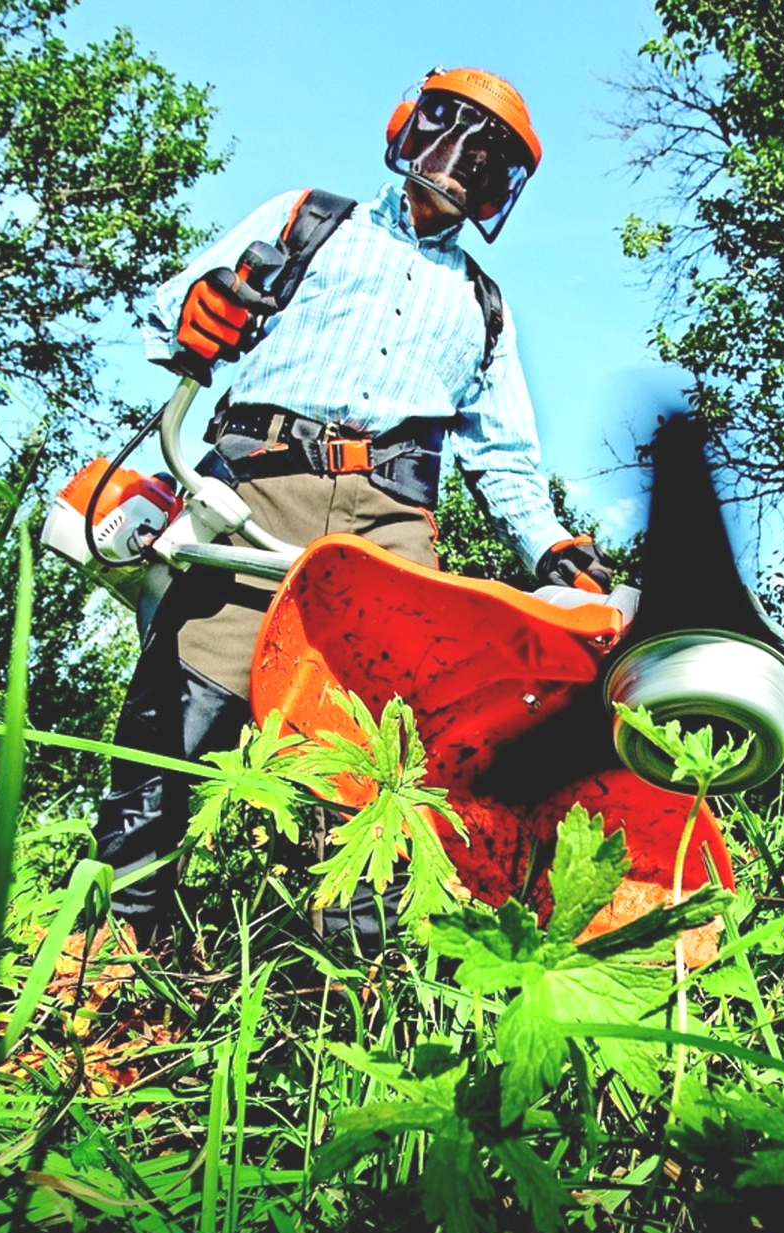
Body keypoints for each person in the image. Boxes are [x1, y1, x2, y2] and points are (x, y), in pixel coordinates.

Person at [92, 66, 611, 946]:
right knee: (181, 711)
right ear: (408, 127)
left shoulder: (485, 305)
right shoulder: (311, 219)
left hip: (390, 521)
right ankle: (109, 944)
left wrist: (551, 546)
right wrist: (200, 311)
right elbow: (169, 311)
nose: (458, 167)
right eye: (448, 134)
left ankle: (349, 976)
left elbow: (506, 459)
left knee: (389, 747)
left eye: (488, 162)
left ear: (502, 190)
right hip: (260, 481)